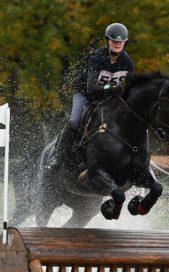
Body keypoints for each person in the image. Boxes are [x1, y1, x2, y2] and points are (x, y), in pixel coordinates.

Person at [46, 23, 135, 171]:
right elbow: (92, 88)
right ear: (108, 41)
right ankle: (58, 157)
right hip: (85, 93)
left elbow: (129, 89)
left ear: (125, 42)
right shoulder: (97, 57)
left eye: (120, 42)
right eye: (114, 41)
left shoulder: (128, 63)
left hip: (108, 98)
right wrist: (112, 88)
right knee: (75, 120)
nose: (117, 44)